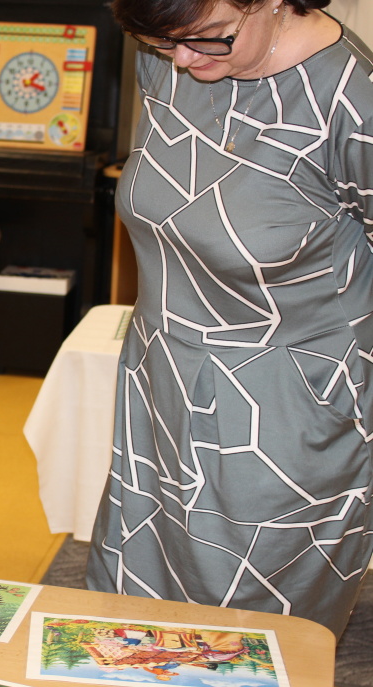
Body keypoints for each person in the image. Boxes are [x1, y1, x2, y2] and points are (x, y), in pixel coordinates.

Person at [87, 0, 373, 639]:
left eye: (209, 38)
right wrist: (182, 42)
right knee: (135, 626)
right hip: (158, 390)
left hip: (285, 415)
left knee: (246, 640)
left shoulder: (353, 101)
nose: (185, 60)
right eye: (164, 43)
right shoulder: (166, 58)